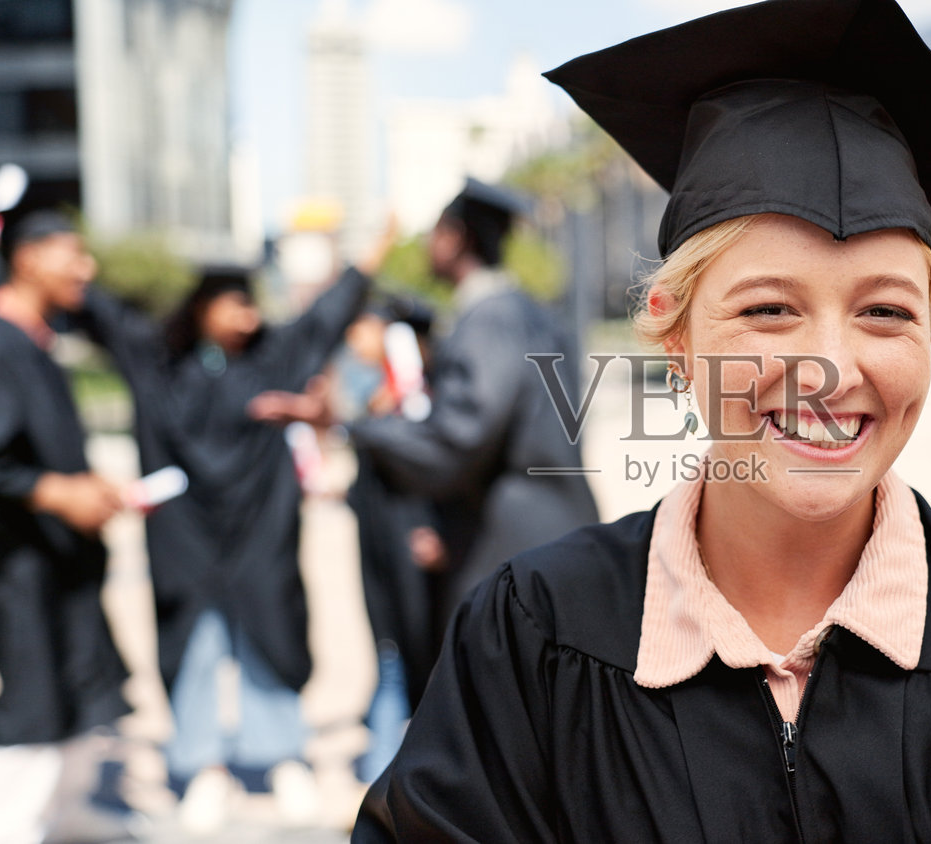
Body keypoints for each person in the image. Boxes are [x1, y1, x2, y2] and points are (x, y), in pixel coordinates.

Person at [353, 1, 931, 842]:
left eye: (885, 311)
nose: (833, 370)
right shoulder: (534, 636)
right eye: (769, 310)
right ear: (675, 339)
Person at [75, 259, 371, 832]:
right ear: (201, 308)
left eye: (250, 303)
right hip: (185, 534)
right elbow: (106, 317)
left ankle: (282, 756)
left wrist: (364, 264)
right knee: (195, 644)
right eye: (232, 303)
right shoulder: (160, 362)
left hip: (261, 530)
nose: (247, 315)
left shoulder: (274, 359)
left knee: (269, 636)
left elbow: (325, 317)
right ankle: (203, 765)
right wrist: (66, 269)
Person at [262, 179, 601, 662]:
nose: (427, 245)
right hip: (558, 535)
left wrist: (348, 424)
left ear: (456, 238)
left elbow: (457, 438)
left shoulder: (490, 320)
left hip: (515, 551)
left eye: (434, 233)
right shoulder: (536, 315)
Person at [0, 207, 135, 844]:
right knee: (33, 687)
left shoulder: (37, 344)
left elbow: (41, 450)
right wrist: (55, 492)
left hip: (63, 558)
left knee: (78, 678)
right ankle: (4, 825)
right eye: (72, 255)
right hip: (20, 560)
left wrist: (90, 486)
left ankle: (60, 812)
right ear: (27, 259)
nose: (87, 269)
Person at [337, 296, 448, 782]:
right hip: (381, 545)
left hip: (415, 545)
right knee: (389, 646)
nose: (353, 340)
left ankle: (388, 769)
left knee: (409, 651)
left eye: (362, 328)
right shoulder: (370, 391)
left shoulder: (422, 396)